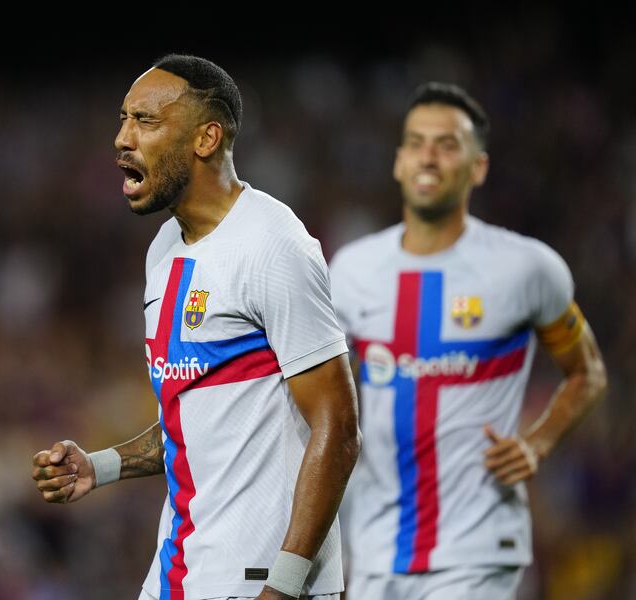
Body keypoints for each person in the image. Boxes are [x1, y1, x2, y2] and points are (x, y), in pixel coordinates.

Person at [31, 54, 361, 600]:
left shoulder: (272, 246)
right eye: (122, 118)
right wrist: (101, 466)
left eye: (145, 120)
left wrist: (283, 587)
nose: (121, 137)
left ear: (206, 138)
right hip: (180, 570)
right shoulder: (164, 250)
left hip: (258, 580)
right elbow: (195, 416)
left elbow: (338, 427)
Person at [330, 82, 608, 599]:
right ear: (397, 162)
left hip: (479, 549)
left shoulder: (525, 268)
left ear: (479, 166)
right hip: (374, 550)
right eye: (415, 142)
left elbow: (587, 370)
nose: (428, 156)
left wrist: (538, 443)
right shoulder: (350, 271)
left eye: (447, 143)